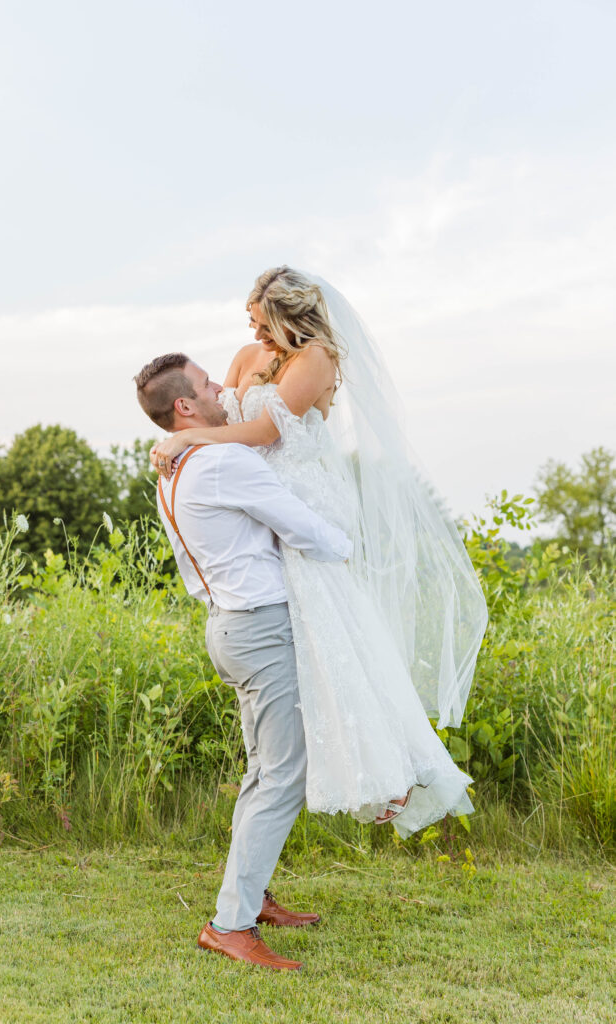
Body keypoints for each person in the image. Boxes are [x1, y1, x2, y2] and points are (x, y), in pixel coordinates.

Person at [151, 267, 488, 835]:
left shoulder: (318, 359)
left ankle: (387, 770)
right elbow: (219, 411)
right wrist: (187, 438)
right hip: (260, 498)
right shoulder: (244, 355)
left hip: (303, 496)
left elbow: (263, 434)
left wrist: (187, 438)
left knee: (333, 632)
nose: (254, 332)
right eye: (250, 321)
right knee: (305, 647)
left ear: (290, 318)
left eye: (262, 322)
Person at [135, 353, 352, 971]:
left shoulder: (174, 469)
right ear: (184, 407)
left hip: (228, 626)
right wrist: (351, 545)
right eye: (207, 386)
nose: (221, 392)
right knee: (282, 776)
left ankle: (251, 897)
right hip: (258, 627)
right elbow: (303, 528)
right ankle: (229, 925)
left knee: (263, 771)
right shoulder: (222, 461)